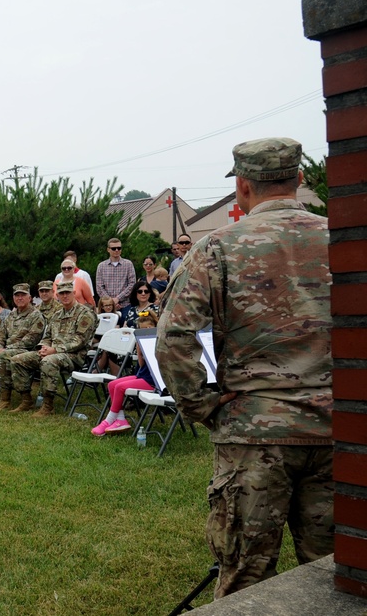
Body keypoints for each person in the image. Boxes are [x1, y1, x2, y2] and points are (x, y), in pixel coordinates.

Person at [156, 137, 333, 599]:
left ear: (243, 187)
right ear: (298, 179)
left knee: (244, 583)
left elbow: (173, 339)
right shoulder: (344, 239)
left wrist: (203, 406)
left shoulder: (218, 247)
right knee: (341, 577)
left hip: (254, 438)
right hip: (339, 430)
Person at [8, 281, 96, 415]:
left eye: (67, 293)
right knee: (17, 360)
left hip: (74, 356)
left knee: (49, 361)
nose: (65, 296)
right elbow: (47, 336)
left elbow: (79, 341)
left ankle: (48, 405)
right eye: (61, 293)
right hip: (51, 352)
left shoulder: (85, 313)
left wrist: (54, 350)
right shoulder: (57, 315)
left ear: (73, 294)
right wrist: (44, 347)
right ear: (57, 296)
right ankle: (26, 400)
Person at [91, 310, 158, 435]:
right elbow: (141, 365)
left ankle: (109, 420)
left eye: (149, 327)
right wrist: (139, 350)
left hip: (153, 381)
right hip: (142, 375)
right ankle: (121, 420)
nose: (146, 330)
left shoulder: (159, 342)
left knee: (120, 387)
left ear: (155, 327)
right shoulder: (142, 342)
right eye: (143, 329)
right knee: (112, 384)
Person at [0, 283, 47, 412]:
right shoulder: (11, 316)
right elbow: (0, 336)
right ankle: (5, 399)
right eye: (17, 295)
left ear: (30, 297)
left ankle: (25, 400)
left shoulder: (36, 315)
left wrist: (4, 350)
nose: (20, 298)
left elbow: (31, 340)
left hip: (28, 351)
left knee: (3, 356)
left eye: (23, 295)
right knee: (0, 354)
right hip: (8, 350)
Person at [96, 238, 136, 309]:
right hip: (107, 307)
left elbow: (132, 284)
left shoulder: (128, 264)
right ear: (108, 249)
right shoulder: (101, 266)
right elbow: (99, 287)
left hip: (125, 305)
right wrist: (110, 302)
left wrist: (118, 299)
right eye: (114, 248)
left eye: (119, 248)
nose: (117, 250)